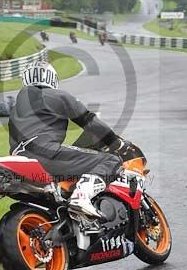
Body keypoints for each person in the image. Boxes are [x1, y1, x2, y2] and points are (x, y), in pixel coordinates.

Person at [8, 60, 122, 218]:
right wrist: (115, 141)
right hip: (46, 154)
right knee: (111, 161)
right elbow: (90, 122)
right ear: (52, 78)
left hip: (18, 161)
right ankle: (81, 196)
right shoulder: (58, 96)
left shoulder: (16, 108)